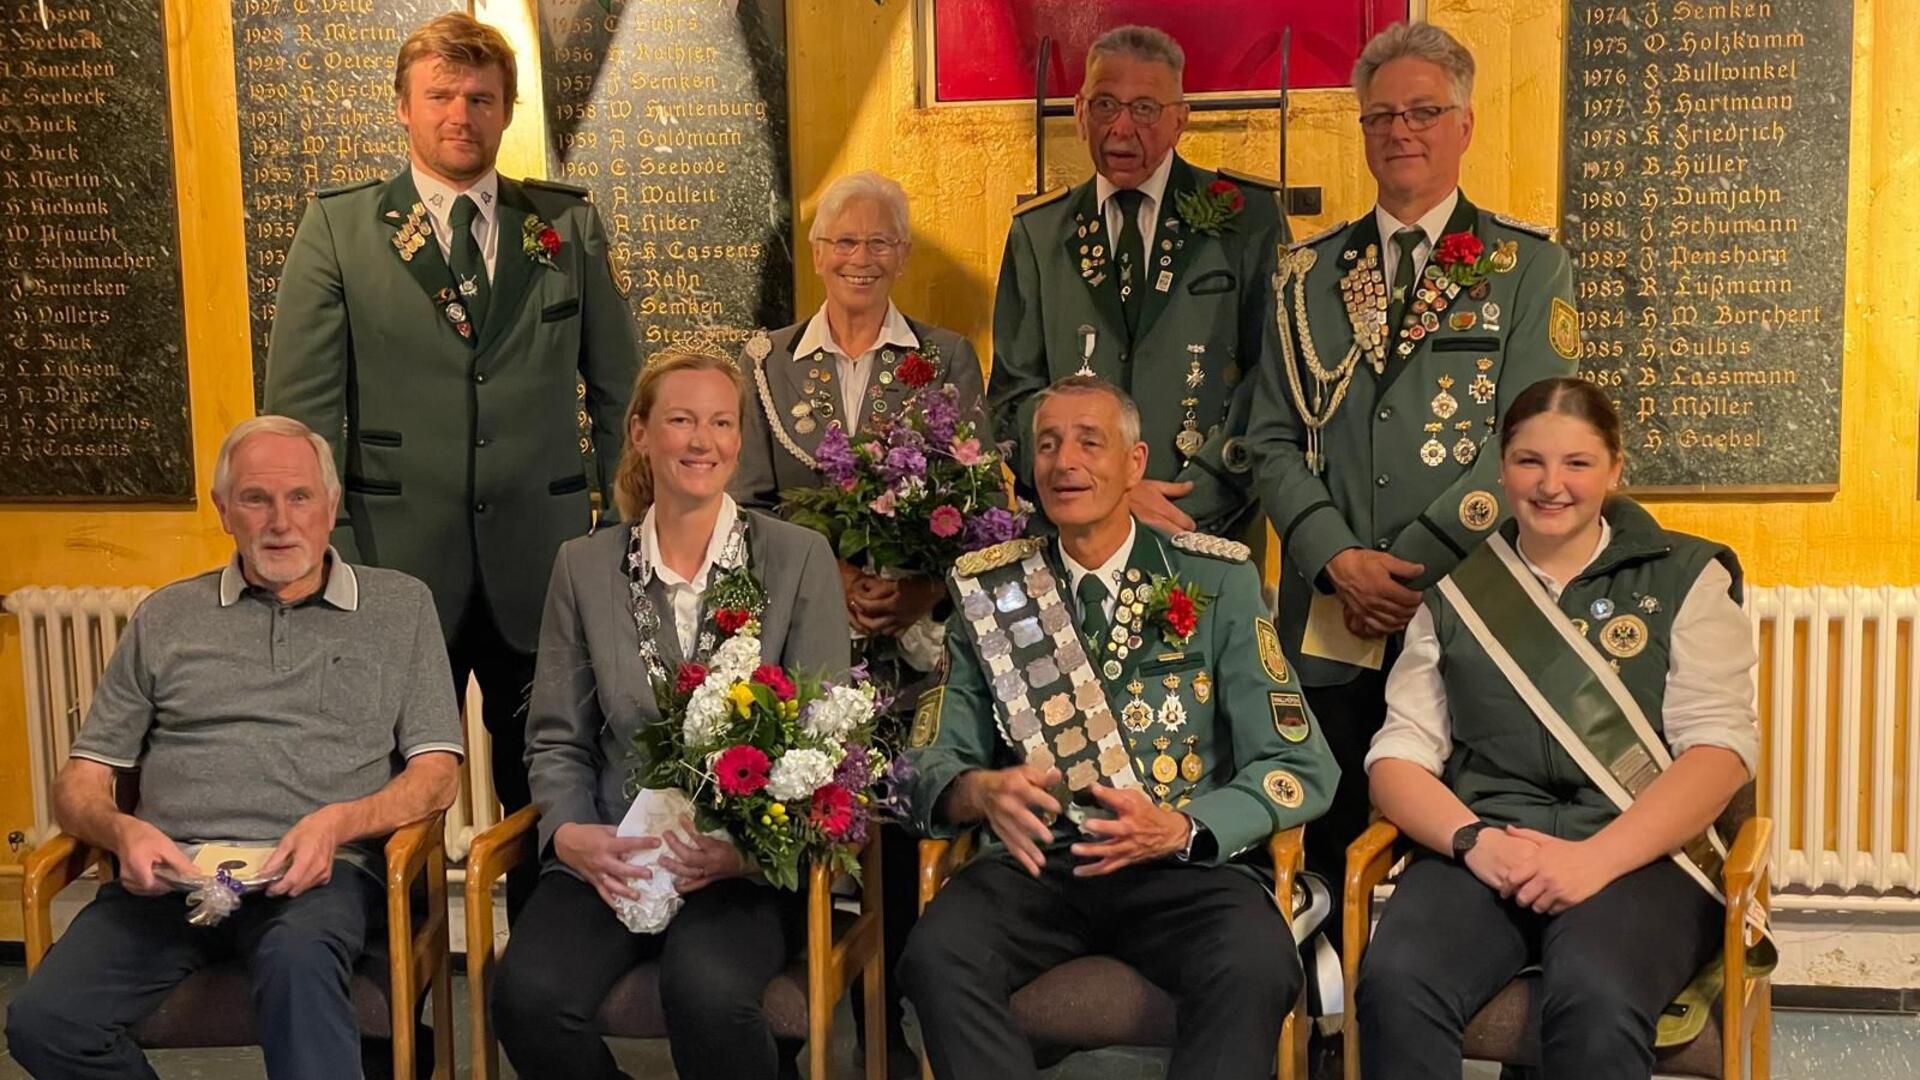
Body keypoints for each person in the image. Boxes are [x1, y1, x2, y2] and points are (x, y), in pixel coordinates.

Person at [263, 12, 639, 842]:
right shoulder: (340, 229)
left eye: (480, 97)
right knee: (386, 796)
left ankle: (543, 962)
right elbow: (301, 425)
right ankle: (401, 962)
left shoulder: (565, 227)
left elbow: (623, 398)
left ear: (507, 111)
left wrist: (620, 530)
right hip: (388, 567)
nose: (459, 115)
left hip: (540, 568)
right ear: (402, 107)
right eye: (440, 95)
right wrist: (323, 559)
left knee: (548, 783)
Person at [898, 376, 1339, 1079]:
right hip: (1039, 867)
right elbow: (925, 761)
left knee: (1255, 963)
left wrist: (1185, 828)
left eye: (1088, 441)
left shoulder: (1217, 584)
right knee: (935, 957)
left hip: (1179, 863)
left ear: (1135, 464)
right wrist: (979, 792)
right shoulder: (992, 594)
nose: (1064, 461)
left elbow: (1298, 764)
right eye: (1047, 445)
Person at [4, 416, 464, 1080]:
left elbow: (437, 774)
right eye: (256, 498)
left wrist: (338, 824)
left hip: (317, 874)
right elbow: (83, 777)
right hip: (171, 879)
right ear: (224, 510)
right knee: (45, 1023)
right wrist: (120, 829)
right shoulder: (166, 617)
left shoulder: (400, 607)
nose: (280, 520)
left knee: (299, 965)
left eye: (300, 497)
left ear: (330, 506)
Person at [1246, 21, 1579, 939]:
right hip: (1331, 607)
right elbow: (1269, 437)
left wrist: (1408, 564)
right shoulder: (1305, 275)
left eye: (1424, 111)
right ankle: (1326, 1022)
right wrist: (1334, 557)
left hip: (1473, 597)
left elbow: (1534, 439)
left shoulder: (1525, 267)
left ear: (1465, 124)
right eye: (1382, 115)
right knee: (1323, 830)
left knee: (1485, 837)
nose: (1402, 131)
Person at [1356, 377, 1762, 1079]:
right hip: (1489, 849)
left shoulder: (1688, 577)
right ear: (1502, 467)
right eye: (1528, 461)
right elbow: (1398, 757)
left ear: (1614, 469)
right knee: (1396, 981)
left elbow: (1720, 755)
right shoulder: (1456, 592)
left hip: (1638, 856)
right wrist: (1473, 841)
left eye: (1577, 463)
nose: (1551, 485)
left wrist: (1594, 861)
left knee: (1596, 1000)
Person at [491, 342, 851, 1080]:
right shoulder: (584, 568)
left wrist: (747, 853)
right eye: (682, 420)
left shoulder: (796, 559)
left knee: (707, 993)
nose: (702, 441)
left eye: (721, 423)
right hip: (615, 853)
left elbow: (828, 734)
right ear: (641, 434)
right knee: (527, 999)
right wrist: (569, 837)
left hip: (738, 866)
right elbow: (556, 738)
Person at [732, 168, 986, 1075]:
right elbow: (750, 504)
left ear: (904, 255)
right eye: (844, 241)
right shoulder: (762, 364)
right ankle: (803, 1029)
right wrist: (829, 575)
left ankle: (909, 1029)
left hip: (916, 647)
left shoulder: (945, 357)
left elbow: (973, 493)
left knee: (909, 832)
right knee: (803, 829)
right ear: (817, 252)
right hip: (809, 640)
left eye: (880, 243)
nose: (861, 259)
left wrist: (918, 588)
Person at [989, 25, 1288, 538]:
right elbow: (1014, 396)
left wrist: (1198, 494)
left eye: (1145, 108)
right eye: (1105, 105)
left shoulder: (1248, 219)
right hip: (1075, 535)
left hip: (1205, 523)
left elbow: (1276, 377)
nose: (1122, 128)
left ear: (1180, 120)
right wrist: (1110, 496)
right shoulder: (1038, 233)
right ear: (1080, 114)